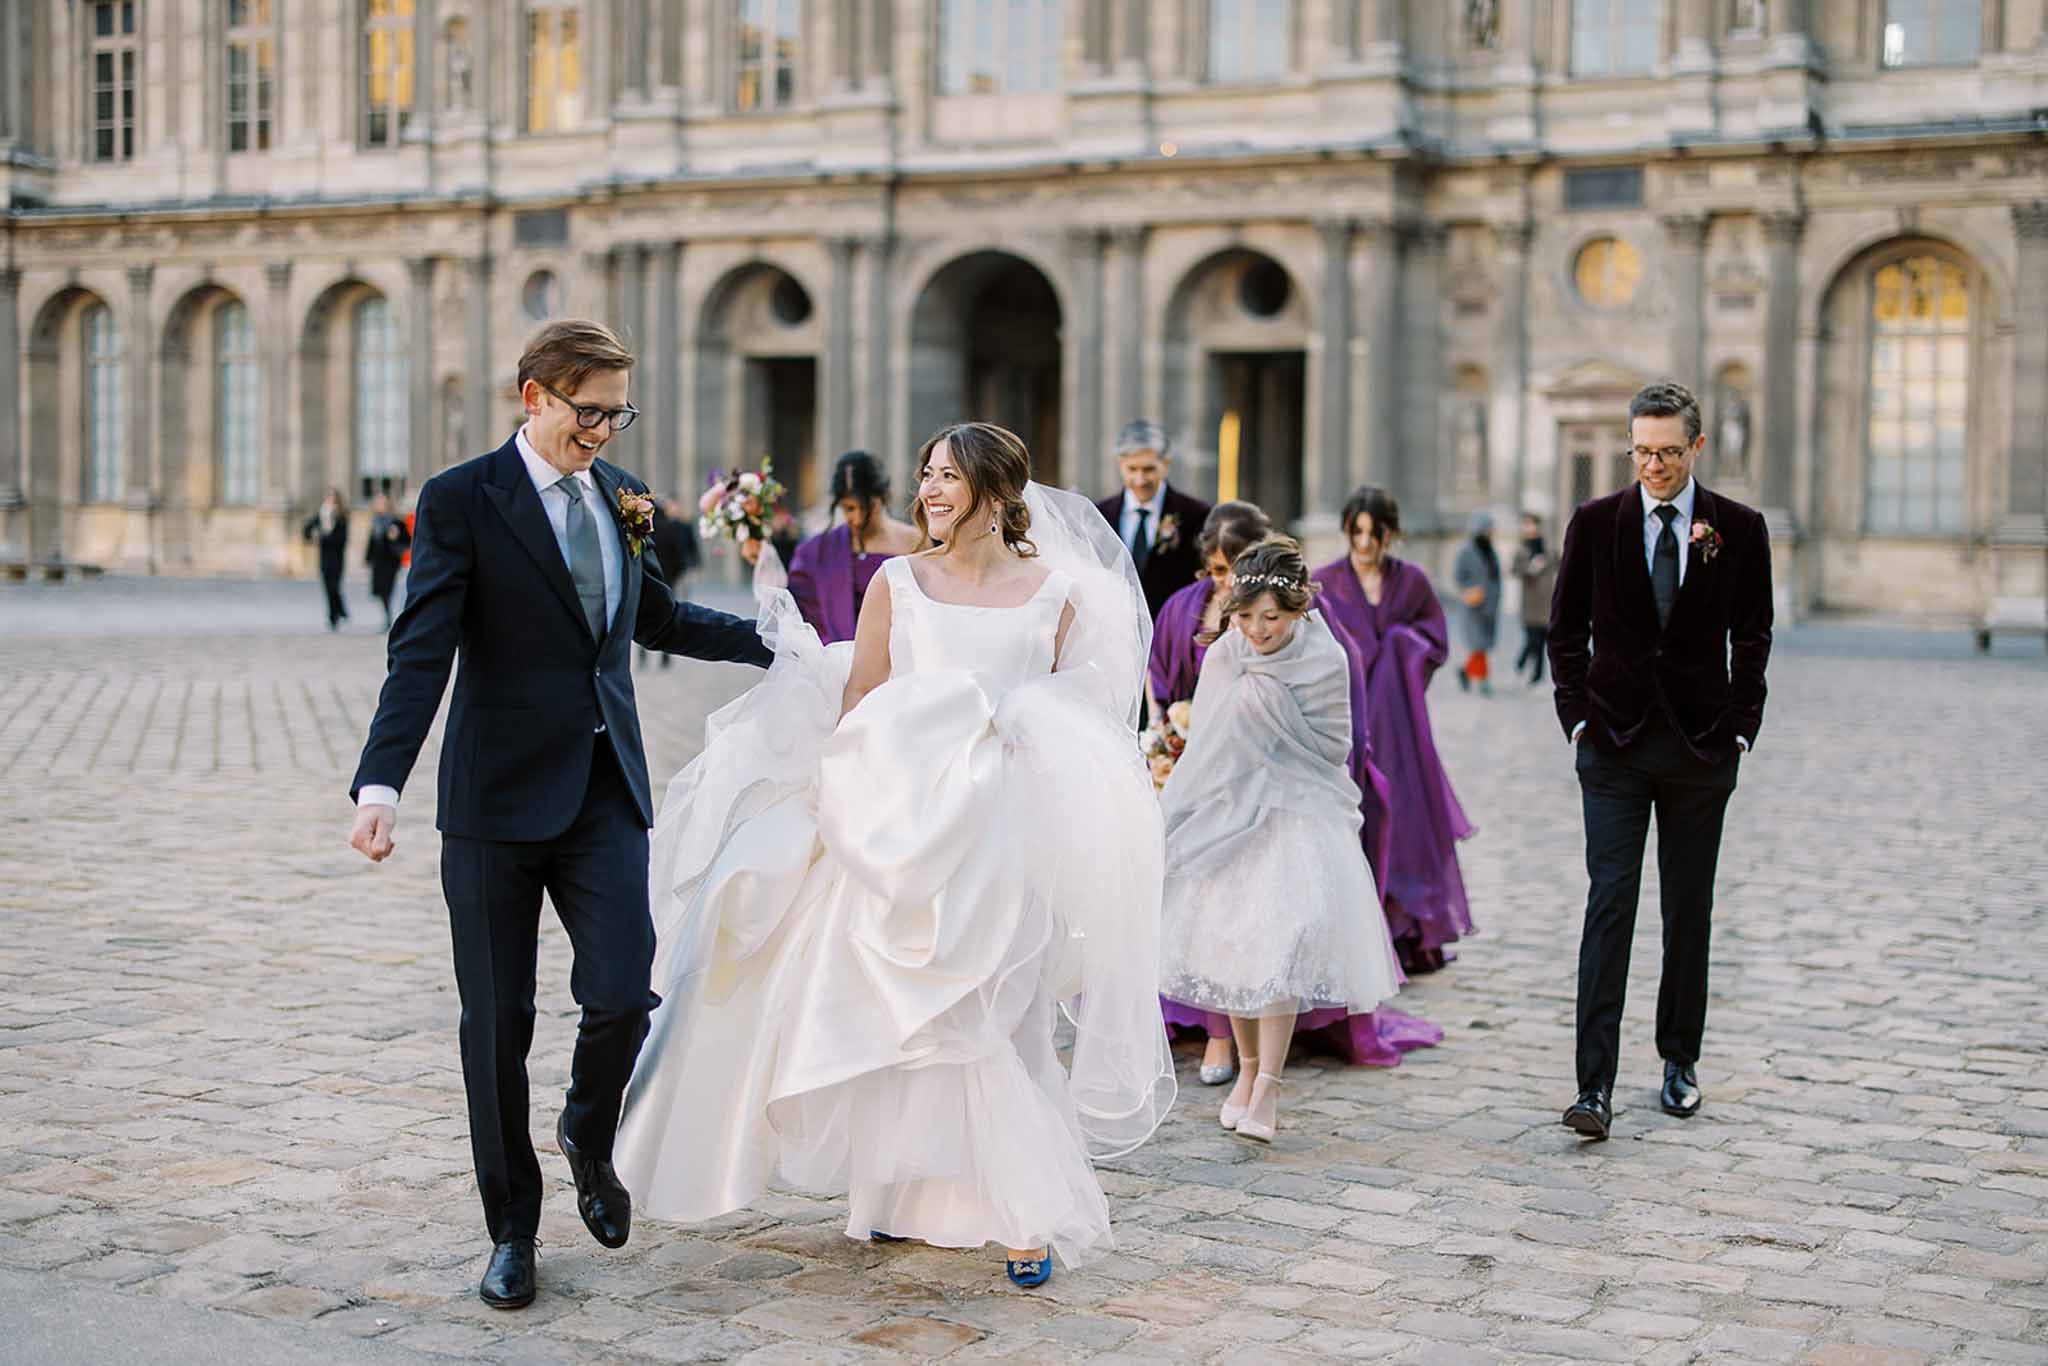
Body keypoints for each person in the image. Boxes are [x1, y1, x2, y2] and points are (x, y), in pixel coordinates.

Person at [616, 423, 1173, 1290]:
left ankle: (1027, 1209)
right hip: (898, 827)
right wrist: (825, 797)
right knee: (898, 1015)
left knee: (999, 1013)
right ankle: (897, 1198)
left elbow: (1084, 718)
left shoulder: (1060, 595)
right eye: (927, 475)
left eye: (948, 476)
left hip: (1002, 829)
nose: (931, 490)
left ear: (996, 493)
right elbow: (862, 698)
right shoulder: (896, 584)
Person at [343, 320, 776, 1312]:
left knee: (624, 990)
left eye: (617, 411)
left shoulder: (624, 498)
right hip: (493, 802)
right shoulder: (461, 499)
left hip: (602, 792)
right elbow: (422, 650)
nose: (604, 429)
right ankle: (513, 1228)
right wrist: (380, 784)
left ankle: (588, 1130)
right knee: (497, 1025)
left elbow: (656, 617)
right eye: (589, 410)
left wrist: (774, 644)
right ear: (531, 395)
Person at [1550, 381, 1772, 1141]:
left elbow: (1754, 634)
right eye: (1642, 452)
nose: (1654, 466)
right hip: (1611, 745)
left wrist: (1742, 728)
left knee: (1688, 913)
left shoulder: (1738, 529)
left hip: (1701, 749)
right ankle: (1594, 1087)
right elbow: (1564, 631)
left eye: (1669, 453)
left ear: (1696, 449)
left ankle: (1680, 1062)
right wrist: (1576, 720)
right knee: (1609, 907)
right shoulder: (1594, 522)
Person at [1158, 537, 1404, 1143]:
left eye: (1273, 617)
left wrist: (1266, 709)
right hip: (1232, 811)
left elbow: (1331, 748)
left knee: (1277, 948)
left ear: (1298, 610)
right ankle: (1244, 1071)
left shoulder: (1326, 658)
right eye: (1245, 617)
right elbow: (1210, 742)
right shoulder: (1225, 656)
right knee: (1231, 949)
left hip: (1298, 814)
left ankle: (1269, 1084)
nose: (1259, 629)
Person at [1312, 488, 1475, 977]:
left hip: (1400, 729)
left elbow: (1436, 641)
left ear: (1391, 533)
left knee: (1404, 823)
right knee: (1358, 821)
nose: (1365, 543)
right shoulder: (1327, 584)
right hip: (1350, 726)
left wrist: (1404, 648)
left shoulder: (1414, 582)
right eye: (1357, 532)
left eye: (1374, 532)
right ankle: (1359, 935)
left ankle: (1406, 933)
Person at [1147, 501, 1271, 1085]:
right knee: (1199, 905)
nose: (1228, 580)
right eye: (1219, 570)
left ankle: (1244, 1030)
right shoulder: (1182, 611)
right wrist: (1169, 737)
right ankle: (1212, 1028)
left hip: (1254, 780)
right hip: (1192, 775)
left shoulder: (1277, 615)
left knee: (1241, 910)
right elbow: (1160, 688)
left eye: (1237, 566)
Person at [786, 450, 922, 644]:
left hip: (900, 652)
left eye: (867, 508)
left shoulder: (914, 541)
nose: (858, 519)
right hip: (839, 657)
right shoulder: (819, 550)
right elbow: (798, 607)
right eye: (849, 508)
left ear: (883, 497)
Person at [1094, 419, 1212, 622]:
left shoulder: (1196, 514)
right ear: (1120, 465)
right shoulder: (1099, 514)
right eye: (1132, 469)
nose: (1140, 480)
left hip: (1172, 626)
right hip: (1115, 628)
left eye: (1149, 469)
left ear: (1165, 464)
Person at [643, 498, 702, 670]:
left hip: (647, 580)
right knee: (667, 616)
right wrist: (675, 575)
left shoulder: (645, 530)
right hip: (668, 579)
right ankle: (665, 657)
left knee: (643, 616)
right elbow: (678, 556)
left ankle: (642, 655)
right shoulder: (671, 529)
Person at [1453, 512, 1502, 695]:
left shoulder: (1490, 550)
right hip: (1473, 606)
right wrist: (1469, 589)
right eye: (1487, 529)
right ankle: (1483, 681)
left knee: (1481, 646)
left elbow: (1494, 575)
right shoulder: (1467, 550)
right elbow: (1458, 575)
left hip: (1489, 605)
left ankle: (1465, 672)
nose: (1490, 532)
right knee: (1478, 645)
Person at [1511, 512, 1557, 686]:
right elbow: (1515, 570)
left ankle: (1537, 676)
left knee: (1542, 640)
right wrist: (1529, 568)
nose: (1529, 528)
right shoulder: (1522, 549)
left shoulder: (1548, 548)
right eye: (1526, 525)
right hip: (1529, 601)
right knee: (1532, 638)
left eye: (1532, 524)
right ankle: (1521, 663)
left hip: (1546, 601)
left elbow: (1560, 564)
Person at [302, 489, 350, 630]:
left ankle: (337, 613)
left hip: (337, 558)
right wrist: (312, 536)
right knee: (327, 587)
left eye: (332, 498)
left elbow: (342, 539)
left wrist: (323, 537)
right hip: (324, 557)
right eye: (328, 497)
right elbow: (306, 530)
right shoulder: (322, 515)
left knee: (334, 586)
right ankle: (336, 613)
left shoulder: (341, 517)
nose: (329, 501)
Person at [364, 492, 412, 631]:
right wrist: (367, 558)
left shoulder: (396, 522)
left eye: (383, 503)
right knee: (380, 591)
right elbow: (371, 541)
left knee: (389, 589)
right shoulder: (376, 521)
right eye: (378, 503)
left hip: (391, 561)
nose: (380, 506)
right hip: (378, 560)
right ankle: (387, 615)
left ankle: (390, 618)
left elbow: (408, 540)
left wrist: (395, 536)